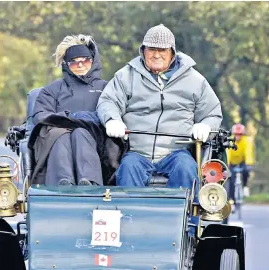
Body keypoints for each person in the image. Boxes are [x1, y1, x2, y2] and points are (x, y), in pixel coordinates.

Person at [96, 24, 223, 192]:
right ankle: (131, 217)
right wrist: (112, 119)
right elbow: (107, 101)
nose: (156, 55)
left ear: (172, 52)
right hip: (136, 152)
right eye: (151, 49)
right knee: (127, 168)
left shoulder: (195, 80)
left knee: (186, 167)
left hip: (177, 153)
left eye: (162, 50)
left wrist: (206, 126)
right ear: (143, 50)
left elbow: (212, 113)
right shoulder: (126, 76)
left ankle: (184, 217)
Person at [31, 34, 107, 186]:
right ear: (66, 64)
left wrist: (85, 120)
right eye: (74, 62)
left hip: (94, 139)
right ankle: (63, 183)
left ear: (92, 61)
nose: (80, 65)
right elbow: (40, 115)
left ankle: (90, 183)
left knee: (80, 133)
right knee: (61, 135)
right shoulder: (52, 90)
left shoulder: (106, 88)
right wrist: (70, 118)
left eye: (84, 60)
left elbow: (114, 113)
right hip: (58, 136)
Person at [227, 123, 255, 199]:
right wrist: (227, 164)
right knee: (231, 179)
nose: (238, 136)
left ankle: (245, 186)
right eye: (236, 134)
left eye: (240, 134)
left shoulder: (247, 140)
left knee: (246, 171)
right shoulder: (230, 140)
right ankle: (231, 199)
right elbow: (228, 152)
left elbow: (248, 152)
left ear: (243, 134)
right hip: (231, 162)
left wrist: (248, 163)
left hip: (242, 161)